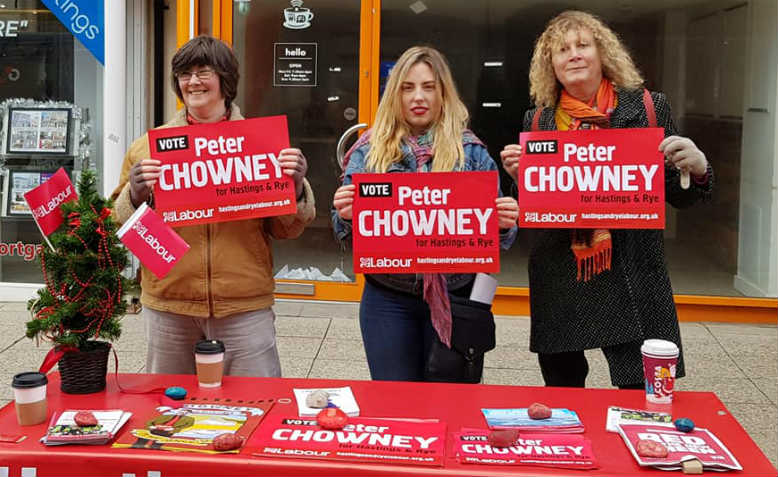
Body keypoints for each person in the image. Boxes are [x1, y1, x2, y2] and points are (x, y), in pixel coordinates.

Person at [500, 11, 714, 389]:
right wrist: (521, 181)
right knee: (565, 395)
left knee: (641, 392)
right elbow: (535, 210)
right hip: (563, 273)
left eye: (583, 45)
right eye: (562, 50)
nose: (574, 55)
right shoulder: (538, 121)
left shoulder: (648, 108)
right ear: (551, 65)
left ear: (603, 54)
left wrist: (696, 168)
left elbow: (680, 197)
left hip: (630, 269)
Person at [111, 35, 315, 377]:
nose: (193, 81)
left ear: (226, 80)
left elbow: (287, 228)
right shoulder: (147, 147)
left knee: (255, 405)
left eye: (203, 71)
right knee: (169, 411)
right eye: (184, 73)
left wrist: (294, 187)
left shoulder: (260, 145)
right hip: (170, 303)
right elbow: (121, 226)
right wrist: (133, 196)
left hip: (243, 305)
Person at [332, 46, 519, 382]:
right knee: (395, 405)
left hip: (456, 297)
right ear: (394, 95)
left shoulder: (471, 152)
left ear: (443, 93)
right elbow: (344, 232)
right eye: (407, 87)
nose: (418, 97)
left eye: (429, 87)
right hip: (387, 299)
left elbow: (499, 238)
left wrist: (503, 222)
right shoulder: (369, 152)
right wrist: (346, 215)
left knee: (449, 407)